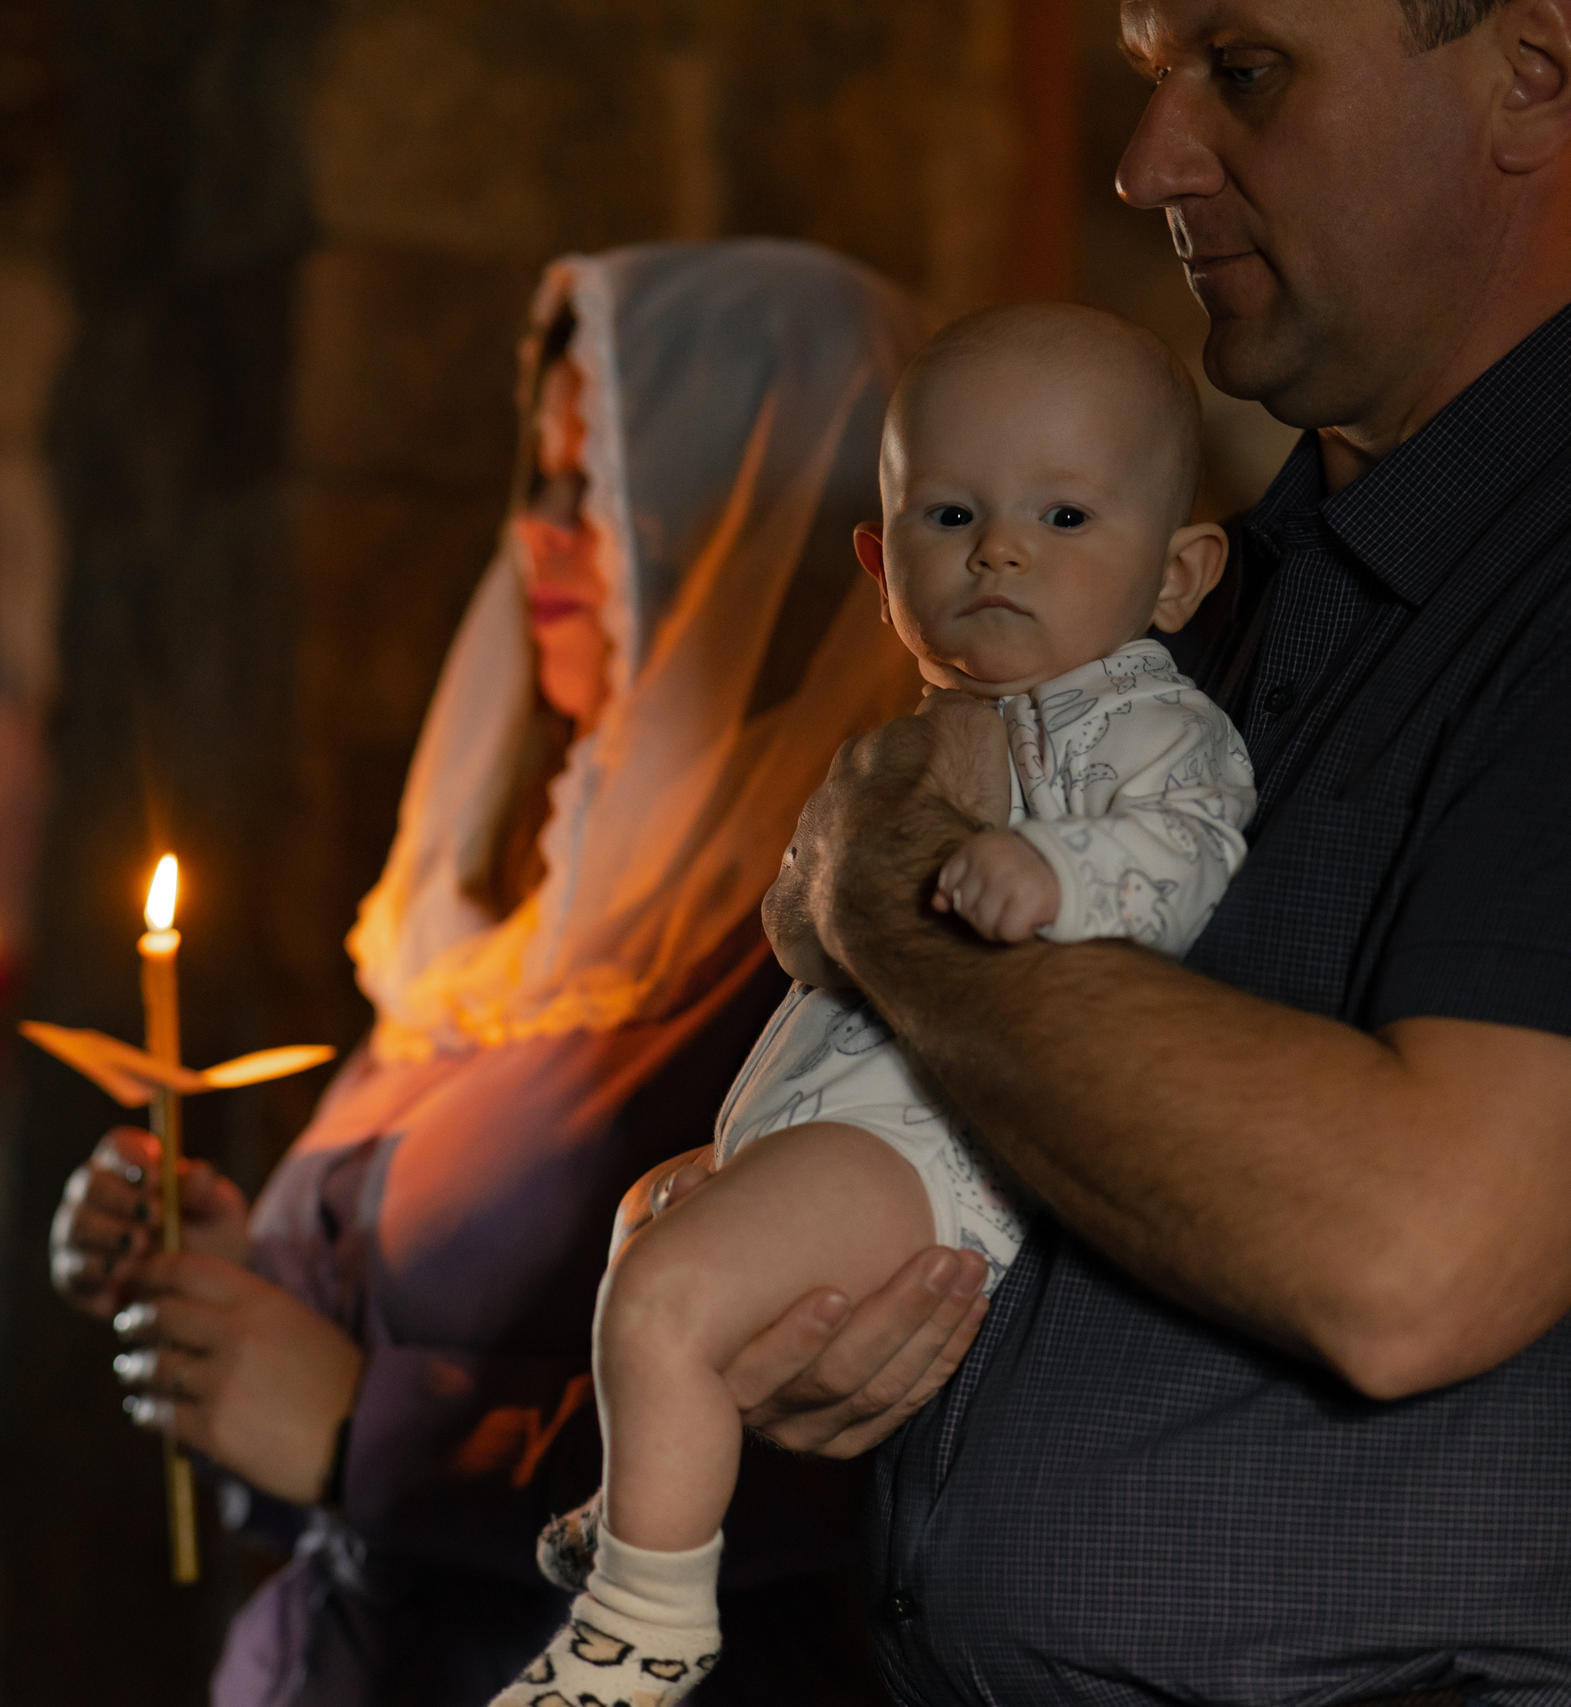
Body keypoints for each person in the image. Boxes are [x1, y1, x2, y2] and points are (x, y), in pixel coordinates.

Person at [712, 0, 1571, 1702]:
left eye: (1246, 68)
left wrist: (894, 913)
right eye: (1153, 82)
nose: (1149, 161)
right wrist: (791, 1245)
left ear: (1532, 72)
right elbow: (1083, 1110)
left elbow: (1415, 1257)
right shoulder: (1207, 599)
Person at [46, 239, 939, 1704]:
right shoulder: (512, 926)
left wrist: (362, 1432)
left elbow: (849, 1458)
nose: (538, 538)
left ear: (757, 506)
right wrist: (222, 1284)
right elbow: (338, 1383)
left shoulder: (839, 956)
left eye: (599, 491)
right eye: (534, 484)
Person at [495, 304, 1255, 1704]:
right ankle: (653, 1504)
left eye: (1067, 514)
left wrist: (1057, 869)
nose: (1001, 550)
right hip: (820, 1121)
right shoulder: (897, 744)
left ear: (1178, 573)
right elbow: (804, 923)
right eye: (951, 514)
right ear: (881, 562)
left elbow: (1193, 849)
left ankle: (645, 1620)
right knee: (648, 1226)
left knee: (664, 1296)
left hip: (936, 1152)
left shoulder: (1145, 724)